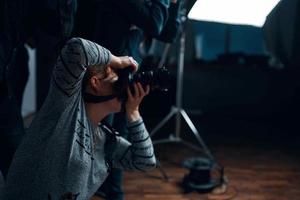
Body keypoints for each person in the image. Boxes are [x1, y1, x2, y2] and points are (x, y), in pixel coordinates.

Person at [1, 37, 156, 200]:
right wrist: (118, 60)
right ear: (95, 83)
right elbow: (78, 49)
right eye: (115, 76)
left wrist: (133, 112)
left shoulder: (106, 140)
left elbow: (145, 161)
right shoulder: (65, 108)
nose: (124, 85)